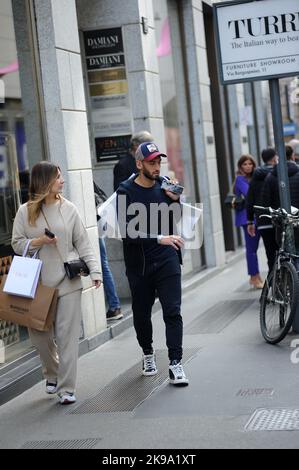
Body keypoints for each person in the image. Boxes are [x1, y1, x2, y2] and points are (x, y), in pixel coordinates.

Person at [11, 161, 102, 405]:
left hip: (68, 281)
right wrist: (40, 241)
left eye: (62, 176)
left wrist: (95, 271)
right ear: (45, 181)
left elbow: (83, 242)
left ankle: (66, 388)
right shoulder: (25, 211)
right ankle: (52, 372)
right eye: (58, 177)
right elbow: (17, 243)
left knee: (67, 337)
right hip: (38, 283)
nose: (62, 181)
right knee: (40, 337)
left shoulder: (69, 208)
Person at [116, 141, 189, 386]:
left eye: (159, 162)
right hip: (140, 264)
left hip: (167, 259)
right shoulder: (125, 191)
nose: (157, 167)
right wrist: (160, 238)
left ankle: (176, 364)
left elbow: (176, 219)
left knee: (173, 311)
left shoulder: (164, 186)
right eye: (151, 162)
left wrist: (175, 201)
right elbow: (126, 232)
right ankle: (148, 353)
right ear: (139, 164)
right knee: (142, 314)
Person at [246, 148, 279, 274]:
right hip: (279, 219)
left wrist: (250, 221)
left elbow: (250, 200)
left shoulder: (256, 175)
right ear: (275, 158)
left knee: (270, 255)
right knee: (284, 252)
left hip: (263, 221)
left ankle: (273, 283)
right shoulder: (278, 174)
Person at [94, 181, 122, 321]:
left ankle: (114, 305)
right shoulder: (92, 184)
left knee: (103, 265)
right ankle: (114, 306)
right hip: (98, 224)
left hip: (94, 226)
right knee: (103, 264)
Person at [234, 155, 264, 289]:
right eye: (245, 164)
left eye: (250, 164)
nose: (248, 166)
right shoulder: (239, 179)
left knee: (255, 248)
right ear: (240, 166)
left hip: (257, 216)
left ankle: (256, 275)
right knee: (251, 249)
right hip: (247, 219)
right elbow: (248, 193)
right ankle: (253, 277)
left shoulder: (255, 178)